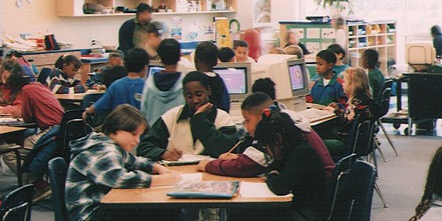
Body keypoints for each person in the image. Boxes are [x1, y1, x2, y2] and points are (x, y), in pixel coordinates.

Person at [201, 92, 334, 179]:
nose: (246, 126)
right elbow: (256, 159)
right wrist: (239, 157)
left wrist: (208, 165)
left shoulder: (276, 129)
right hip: (319, 182)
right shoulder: (283, 116)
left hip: (314, 193)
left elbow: (245, 167)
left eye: (248, 120)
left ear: (264, 114)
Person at [0, 58, 65, 179]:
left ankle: (33, 181)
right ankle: (35, 180)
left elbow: (25, 115)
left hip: (50, 132)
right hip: (58, 129)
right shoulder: (39, 86)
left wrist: (3, 110)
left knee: (10, 153)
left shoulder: (26, 90)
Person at [138, 72, 241, 162]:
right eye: (189, 96)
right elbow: (144, 147)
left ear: (208, 91)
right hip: (177, 175)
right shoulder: (171, 116)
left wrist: (199, 120)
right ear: (184, 96)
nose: (195, 100)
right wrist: (162, 153)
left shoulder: (223, 118)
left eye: (199, 94)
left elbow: (224, 150)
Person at [323, 66, 376, 158]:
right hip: (359, 142)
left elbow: (348, 118)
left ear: (352, 85)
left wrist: (335, 111)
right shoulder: (362, 100)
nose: (342, 84)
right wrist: (338, 109)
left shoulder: (355, 102)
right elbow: (351, 114)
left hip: (347, 143)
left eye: (345, 81)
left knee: (314, 142)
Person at [90, 48, 150, 121]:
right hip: (140, 129)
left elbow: (99, 106)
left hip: (118, 128)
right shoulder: (148, 87)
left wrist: (86, 112)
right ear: (145, 67)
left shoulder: (115, 85)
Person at [141, 38, 185, 123]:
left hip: (153, 133)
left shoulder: (150, 82)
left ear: (160, 57)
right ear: (180, 56)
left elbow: (143, 111)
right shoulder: (185, 83)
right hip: (177, 134)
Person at [192, 41, 230, 113]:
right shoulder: (219, 80)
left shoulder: (193, 81)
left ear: (195, 59)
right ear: (216, 61)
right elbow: (225, 104)